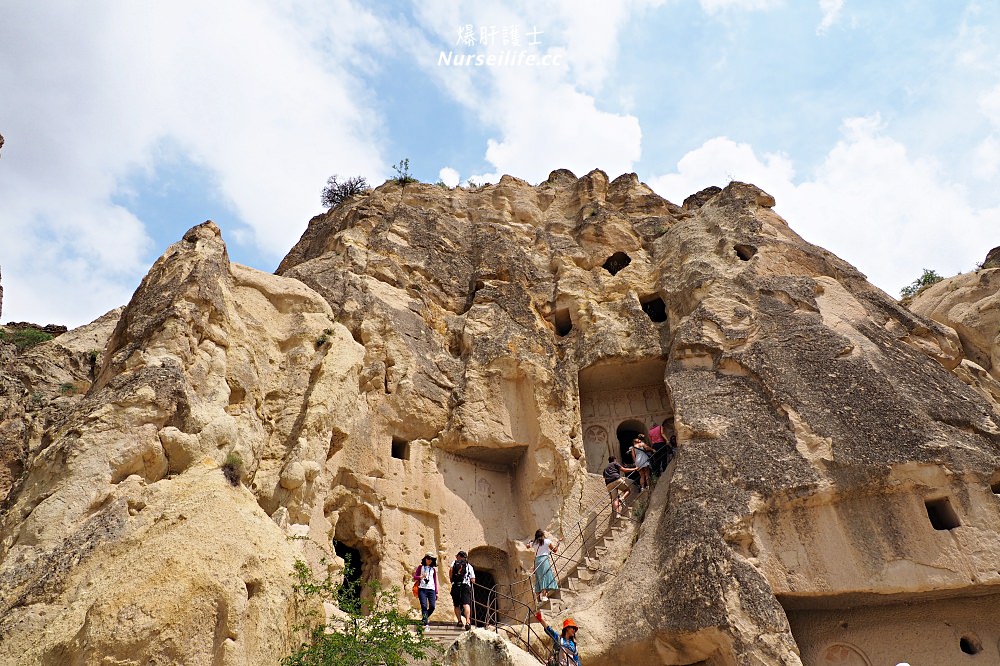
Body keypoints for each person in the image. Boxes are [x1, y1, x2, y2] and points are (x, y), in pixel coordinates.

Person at [527, 529, 560, 603]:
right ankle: (544, 595)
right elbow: (554, 550)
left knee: (539, 578)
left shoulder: (534, 543)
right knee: (545, 576)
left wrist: (529, 542)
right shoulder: (546, 541)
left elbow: (527, 546)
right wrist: (558, 544)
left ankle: (538, 600)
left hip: (537, 561)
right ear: (542, 535)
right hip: (544, 560)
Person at [449, 550, 475, 630]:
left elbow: (450, 571)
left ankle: (460, 621)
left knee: (456, 604)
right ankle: (467, 621)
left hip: (456, 585)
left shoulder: (454, 563)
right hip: (465, 586)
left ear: (459, 556)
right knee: (466, 604)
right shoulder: (469, 566)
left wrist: (452, 580)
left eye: (457, 556)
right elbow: (473, 579)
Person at [412, 552, 438, 626]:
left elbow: (435, 581)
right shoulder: (420, 567)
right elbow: (414, 577)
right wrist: (421, 577)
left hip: (431, 589)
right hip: (422, 589)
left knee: (432, 606)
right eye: (428, 558)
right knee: (424, 606)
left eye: (431, 559)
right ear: (425, 559)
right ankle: (425, 622)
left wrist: (436, 592)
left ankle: (424, 618)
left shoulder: (433, 570)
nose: (429, 560)